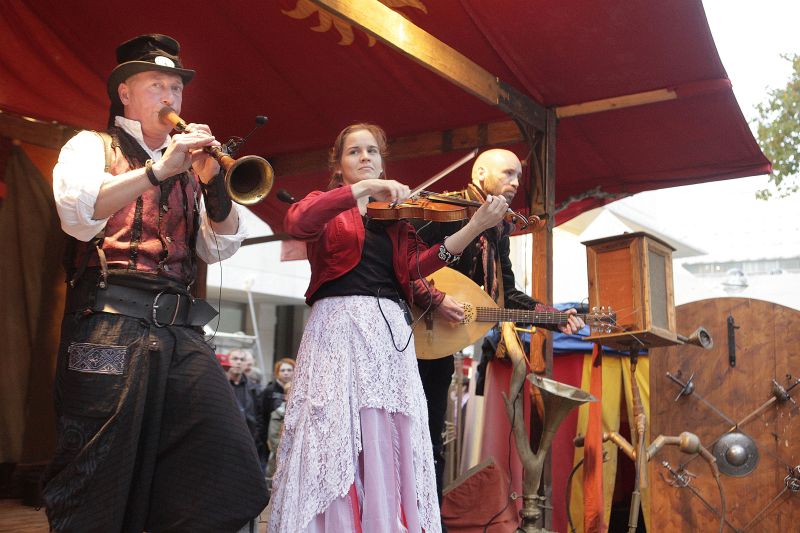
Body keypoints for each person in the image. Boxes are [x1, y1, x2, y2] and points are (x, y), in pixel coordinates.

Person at [43, 34, 267, 532]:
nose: (170, 96)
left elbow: (219, 246)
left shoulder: (187, 161)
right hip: (106, 324)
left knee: (228, 470)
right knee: (95, 478)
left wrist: (212, 182)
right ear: (124, 93)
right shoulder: (91, 145)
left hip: (180, 330)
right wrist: (157, 170)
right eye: (157, 85)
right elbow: (77, 215)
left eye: (177, 87)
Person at [265, 123, 509, 533]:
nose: (365, 157)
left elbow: (415, 269)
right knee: (333, 430)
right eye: (354, 152)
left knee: (385, 430)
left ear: (382, 161)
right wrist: (360, 190)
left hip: (387, 334)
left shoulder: (396, 218)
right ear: (338, 164)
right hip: (338, 327)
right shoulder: (325, 204)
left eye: (372, 151)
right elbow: (298, 222)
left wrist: (474, 227)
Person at [412, 148, 585, 512]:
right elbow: (406, 265)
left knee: (431, 441)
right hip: (406, 334)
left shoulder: (499, 231)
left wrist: (551, 316)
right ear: (480, 174)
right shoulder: (444, 208)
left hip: (440, 344)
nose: (516, 182)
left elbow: (504, 294)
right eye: (507, 173)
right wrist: (435, 297)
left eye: (518, 176)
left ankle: (429, 520)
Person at [227, 348, 267, 471]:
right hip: (225, 441)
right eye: (235, 359)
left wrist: (256, 436)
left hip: (248, 442)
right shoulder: (220, 385)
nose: (238, 362)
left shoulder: (254, 388)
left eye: (242, 359)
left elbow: (259, 416)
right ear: (228, 361)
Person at [262, 357, 296, 496]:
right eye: (283, 370)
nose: (286, 373)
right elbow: (264, 415)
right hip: (276, 438)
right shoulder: (270, 390)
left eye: (289, 370)